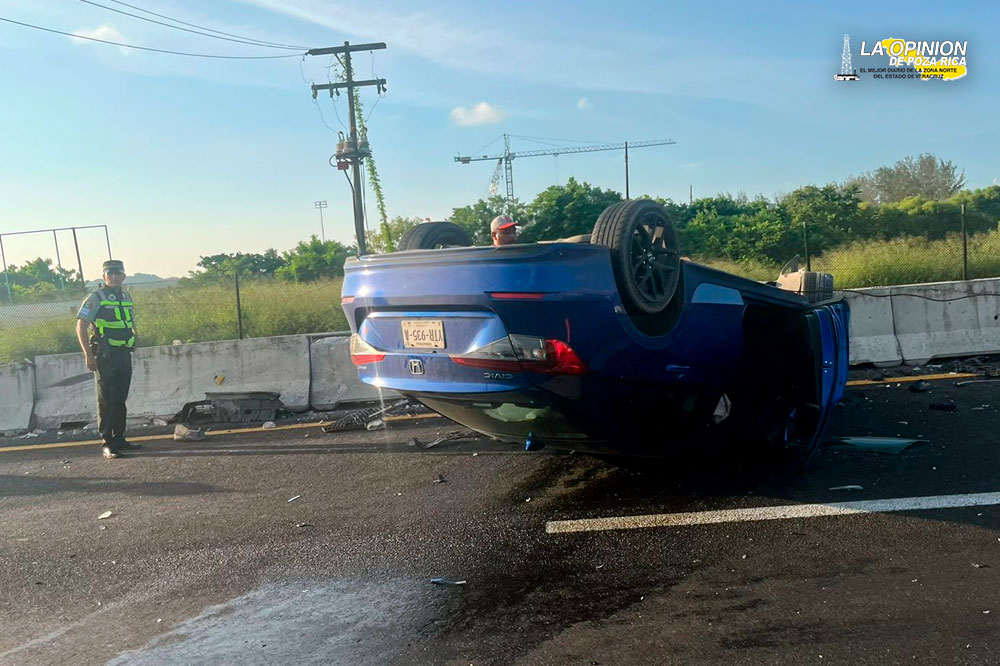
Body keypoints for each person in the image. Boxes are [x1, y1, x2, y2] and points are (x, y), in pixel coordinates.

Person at [75, 259, 138, 459]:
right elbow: (81, 326)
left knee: (120, 398)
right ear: (104, 277)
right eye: (110, 274)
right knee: (106, 399)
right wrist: (88, 355)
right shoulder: (96, 297)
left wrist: (136, 336)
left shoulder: (126, 295)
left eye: (118, 273)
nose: (114, 277)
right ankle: (108, 443)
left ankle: (120, 439)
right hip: (104, 355)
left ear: (124, 276)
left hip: (123, 353)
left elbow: (130, 320)